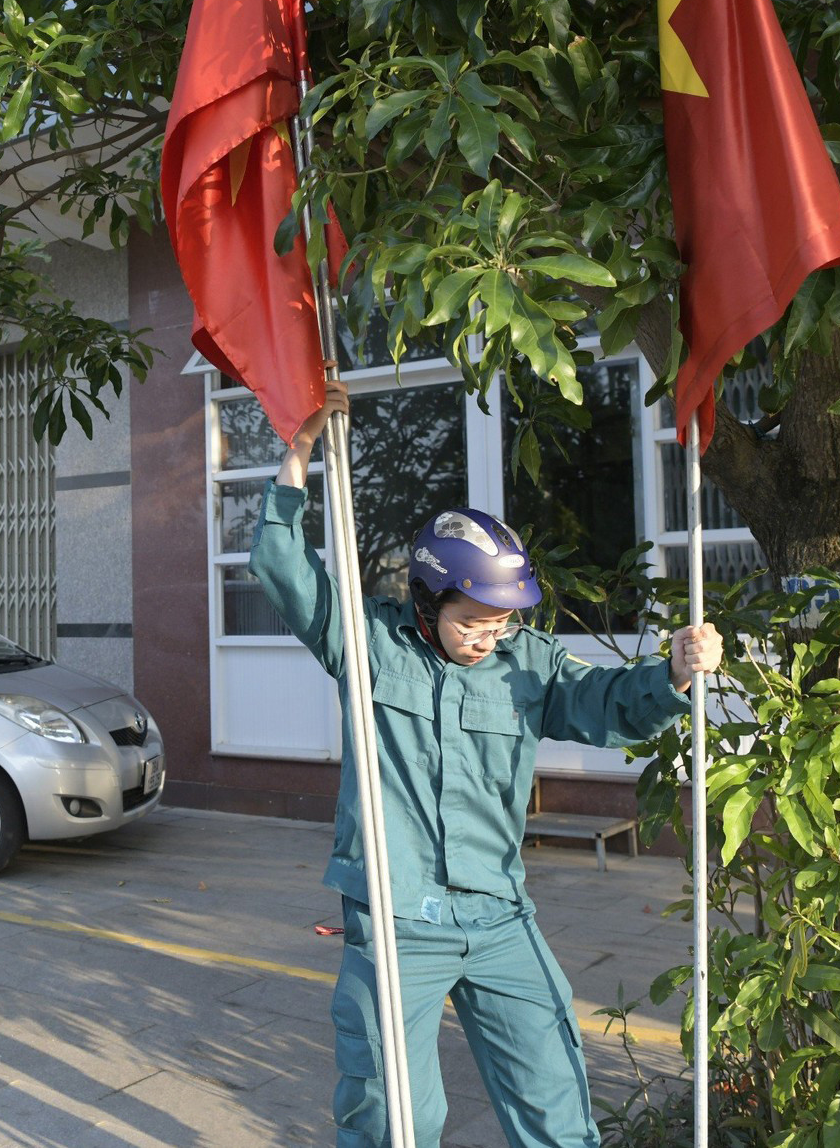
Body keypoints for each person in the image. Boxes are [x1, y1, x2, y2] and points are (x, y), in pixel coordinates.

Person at [249, 380, 723, 1148]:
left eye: (502, 623)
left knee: (555, 1104)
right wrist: (300, 447)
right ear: (428, 600)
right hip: (398, 918)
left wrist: (671, 672)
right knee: (393, 1116)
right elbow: (280, 563)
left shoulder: (524, 662)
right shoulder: (368, 645)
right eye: (473, 621)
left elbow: (603, 702)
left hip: (498, 914)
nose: (488, 638)